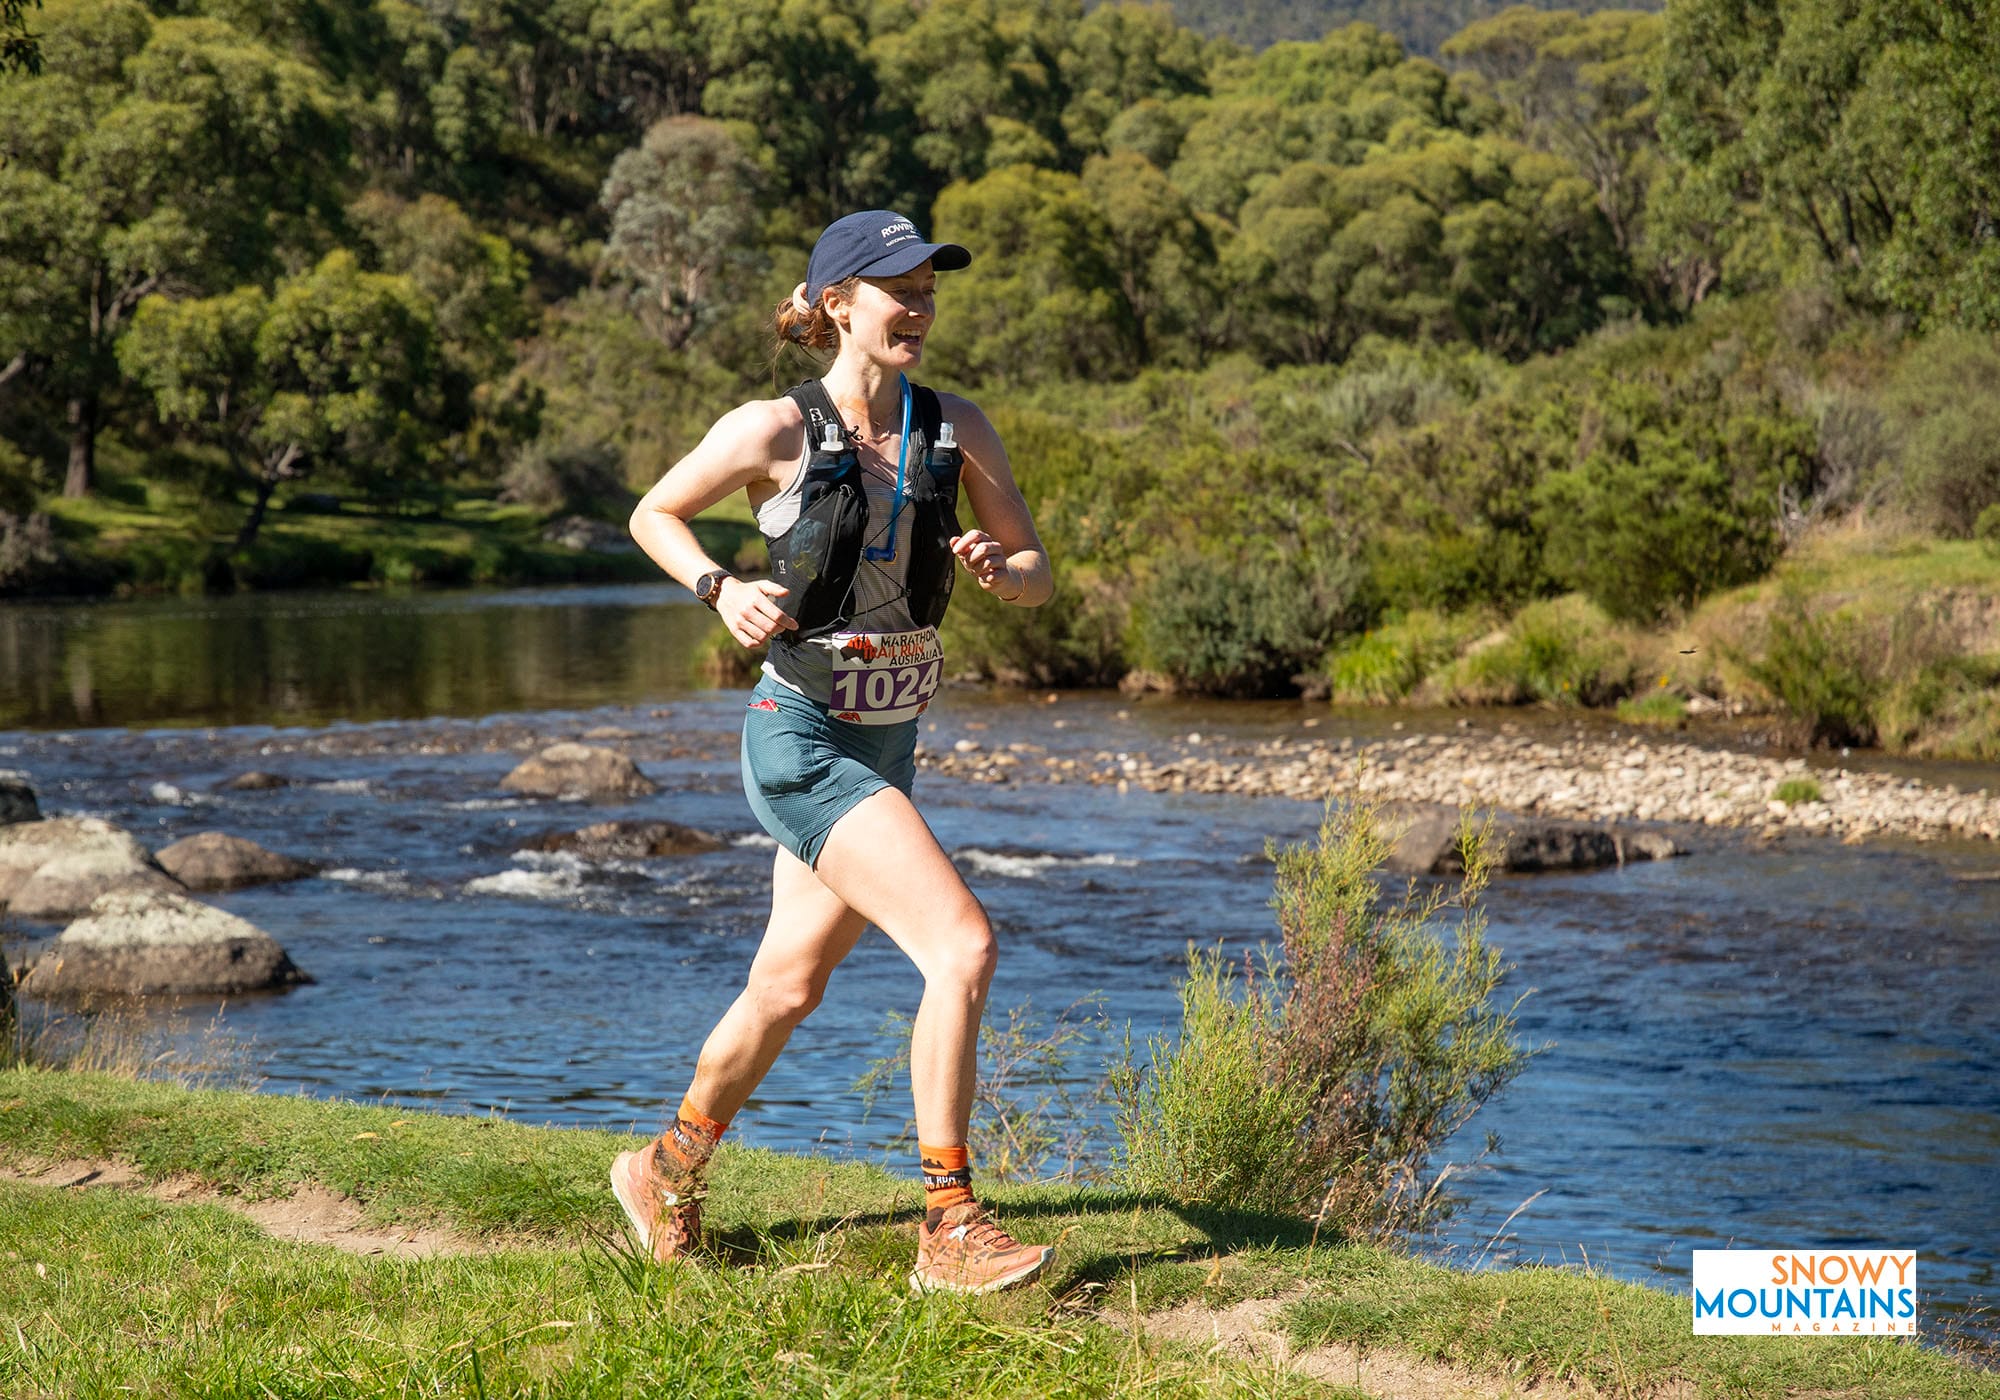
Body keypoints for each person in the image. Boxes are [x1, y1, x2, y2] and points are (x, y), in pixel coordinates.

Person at [617, 210, 1056, 1295]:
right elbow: (653, 513)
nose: (919, 307)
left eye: (929, 289)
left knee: (786, 987)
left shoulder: (956, 426)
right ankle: (948, 1222)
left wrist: (1001, 572)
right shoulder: (772, 428)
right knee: (962, 946)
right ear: (837, 305)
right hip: (802, 740)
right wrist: (719, 587)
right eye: (898, 288)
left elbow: (1037, 570)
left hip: (888, 741)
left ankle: (663, 1169)